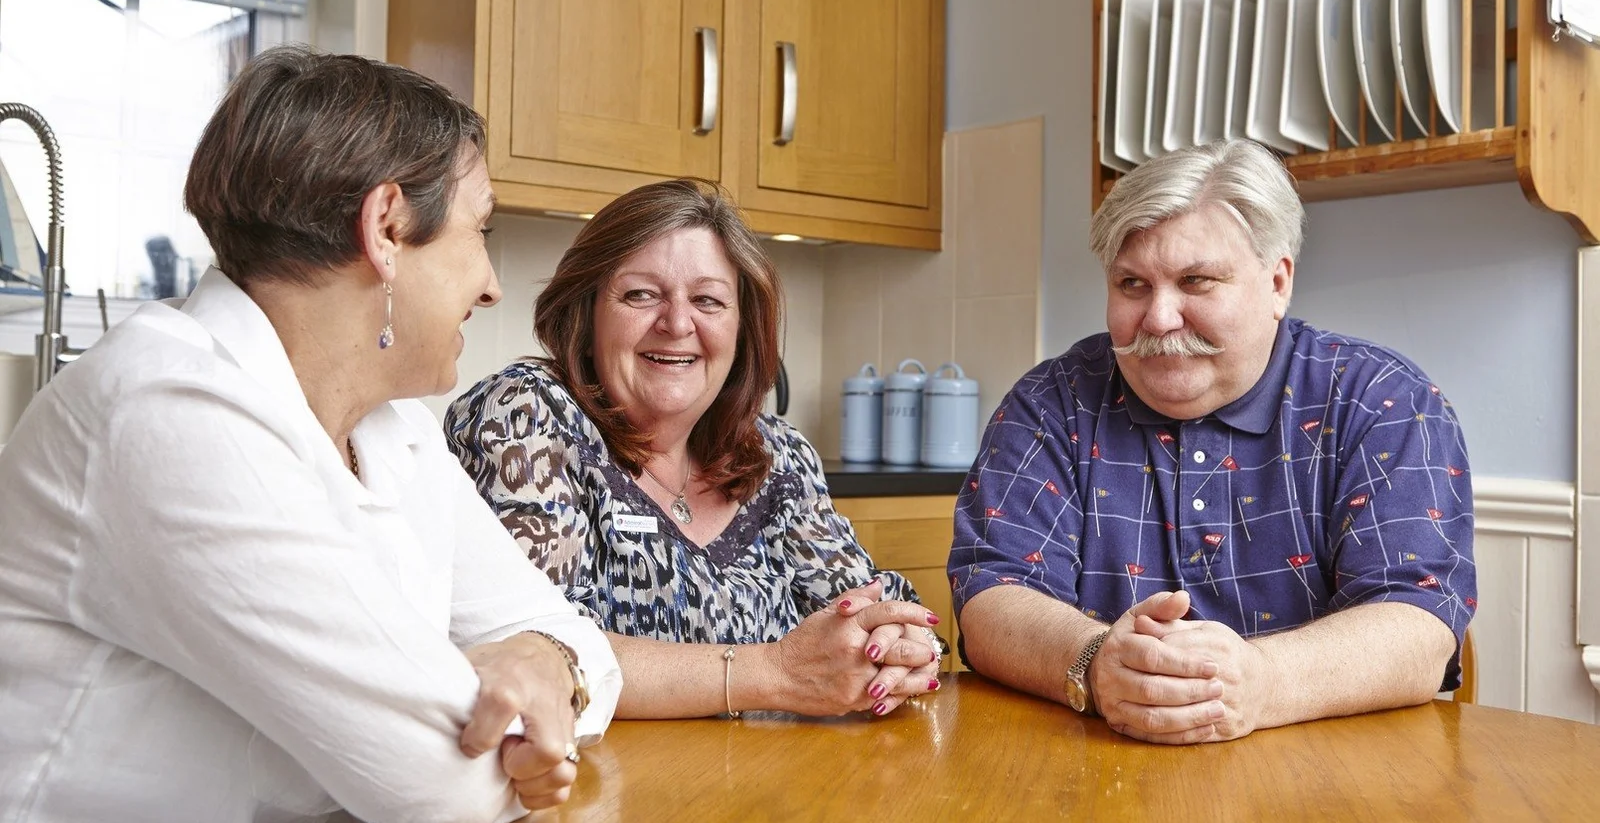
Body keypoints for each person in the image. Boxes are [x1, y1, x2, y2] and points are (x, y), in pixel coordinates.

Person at [0, 46, 621, 822]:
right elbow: (435, 785)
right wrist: (515, 714)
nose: (493, 284)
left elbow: (587, 651)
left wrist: (544, 657)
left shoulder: (393, 426)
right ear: (386, 227)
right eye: (480, 230)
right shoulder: (167, 413)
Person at [949, 139, 1475, 744]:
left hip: (1328, 775)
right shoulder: (1050, 401)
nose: (1158, 318)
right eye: (1132, 284)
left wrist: (1262, 681)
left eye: (1195, 281)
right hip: (1091, 768)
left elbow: (1419, 622)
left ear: (1277, 283)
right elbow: (991, 593)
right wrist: (1095, 662)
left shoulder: (1383, 400)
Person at [445, 178, 941, 720]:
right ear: (586, 314)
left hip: (779, 771)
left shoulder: (780, 453)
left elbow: (869, 607)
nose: (677, 323)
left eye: (707, 300)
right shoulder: (527, 415)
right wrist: (777, 672)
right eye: (641, 295)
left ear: (743, 330)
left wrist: (899, 645)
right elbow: (534, 648)